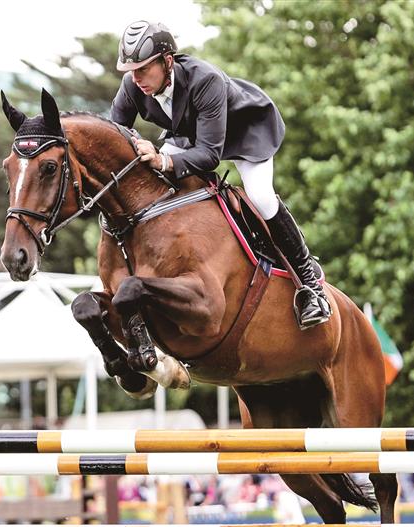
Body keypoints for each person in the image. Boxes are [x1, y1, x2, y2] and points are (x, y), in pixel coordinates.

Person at [110, 21, 332, 329]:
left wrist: (161, 160)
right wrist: (135, 143)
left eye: (144, 69)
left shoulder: (206, 80)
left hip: (246, 134)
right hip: (192, 135)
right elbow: (115, 133)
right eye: (131, 70)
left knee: (261, 198)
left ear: (167, 61)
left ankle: (310, 285)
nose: (136, 78)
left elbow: (210, 156)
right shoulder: (133, 85)